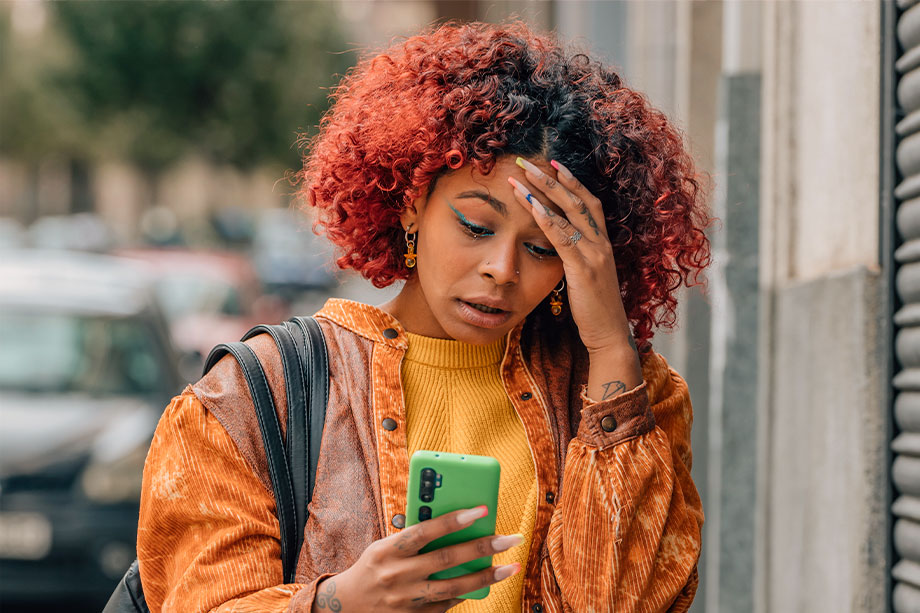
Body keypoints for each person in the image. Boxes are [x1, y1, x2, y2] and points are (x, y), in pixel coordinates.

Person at [136, 20, 710, 613]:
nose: (502, 269)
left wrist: (612, 348)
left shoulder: (632, 399)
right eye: (476, 226)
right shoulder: (256, 396)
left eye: (543, 247)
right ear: (413, 204)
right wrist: (341, 602)